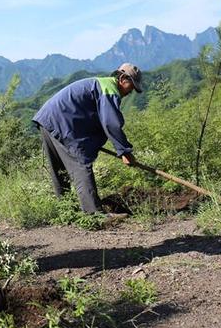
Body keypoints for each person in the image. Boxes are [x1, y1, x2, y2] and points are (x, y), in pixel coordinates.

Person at [32, 63, 143, 216]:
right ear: (123, 78)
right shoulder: (109, 89)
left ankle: (66, 212)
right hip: (61, 122)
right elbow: (110, 123)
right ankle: (94, 214)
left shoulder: (101, 85)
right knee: (81, 165)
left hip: (47, 119)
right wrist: (124, 151)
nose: (130, 92)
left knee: (59, 170)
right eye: (131, 86)